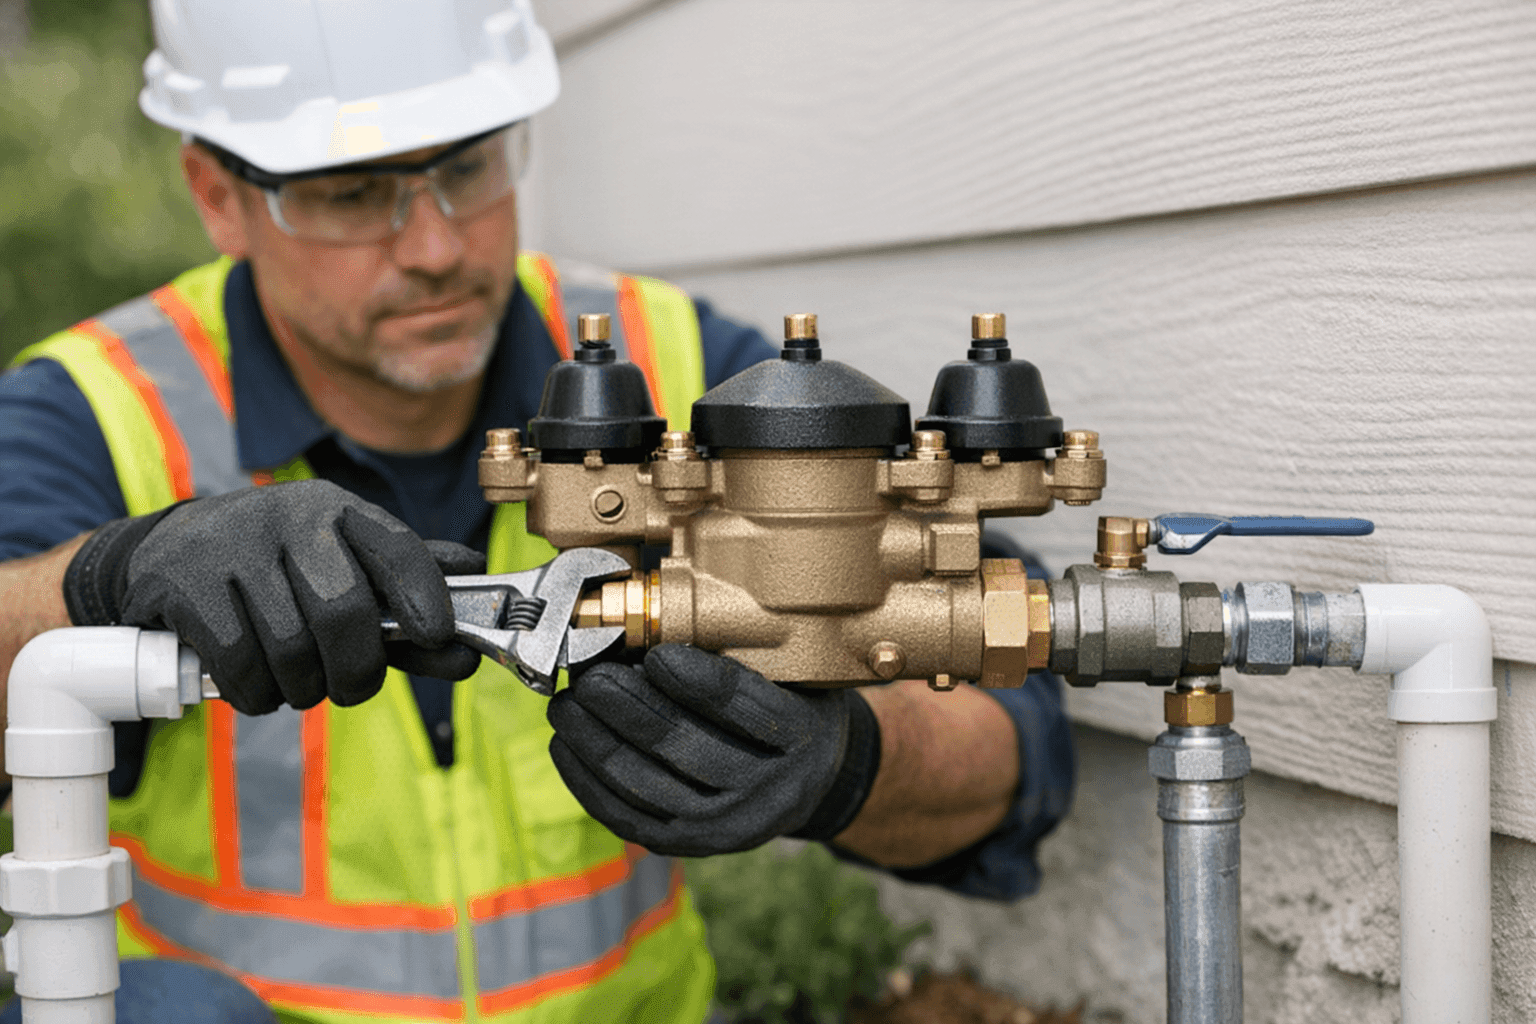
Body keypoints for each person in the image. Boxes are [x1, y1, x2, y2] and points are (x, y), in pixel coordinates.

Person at [0, 2, 1074, 1022]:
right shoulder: (95, 411)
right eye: (348, 192)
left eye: (466, 165)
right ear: (219, 193)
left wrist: (850, 759)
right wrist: (97, 582)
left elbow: (1012, 709)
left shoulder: (682, 377)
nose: (432, 246)